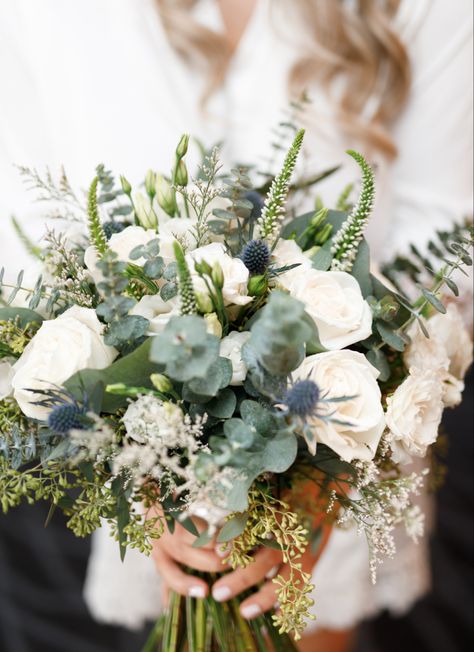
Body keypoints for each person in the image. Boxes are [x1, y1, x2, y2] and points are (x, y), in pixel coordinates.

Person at [0, 1, 472, 651]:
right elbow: (26, 241)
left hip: (342, 434)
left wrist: (319, 485)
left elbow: (443, 255)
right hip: (139, 440)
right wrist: (148, 476)